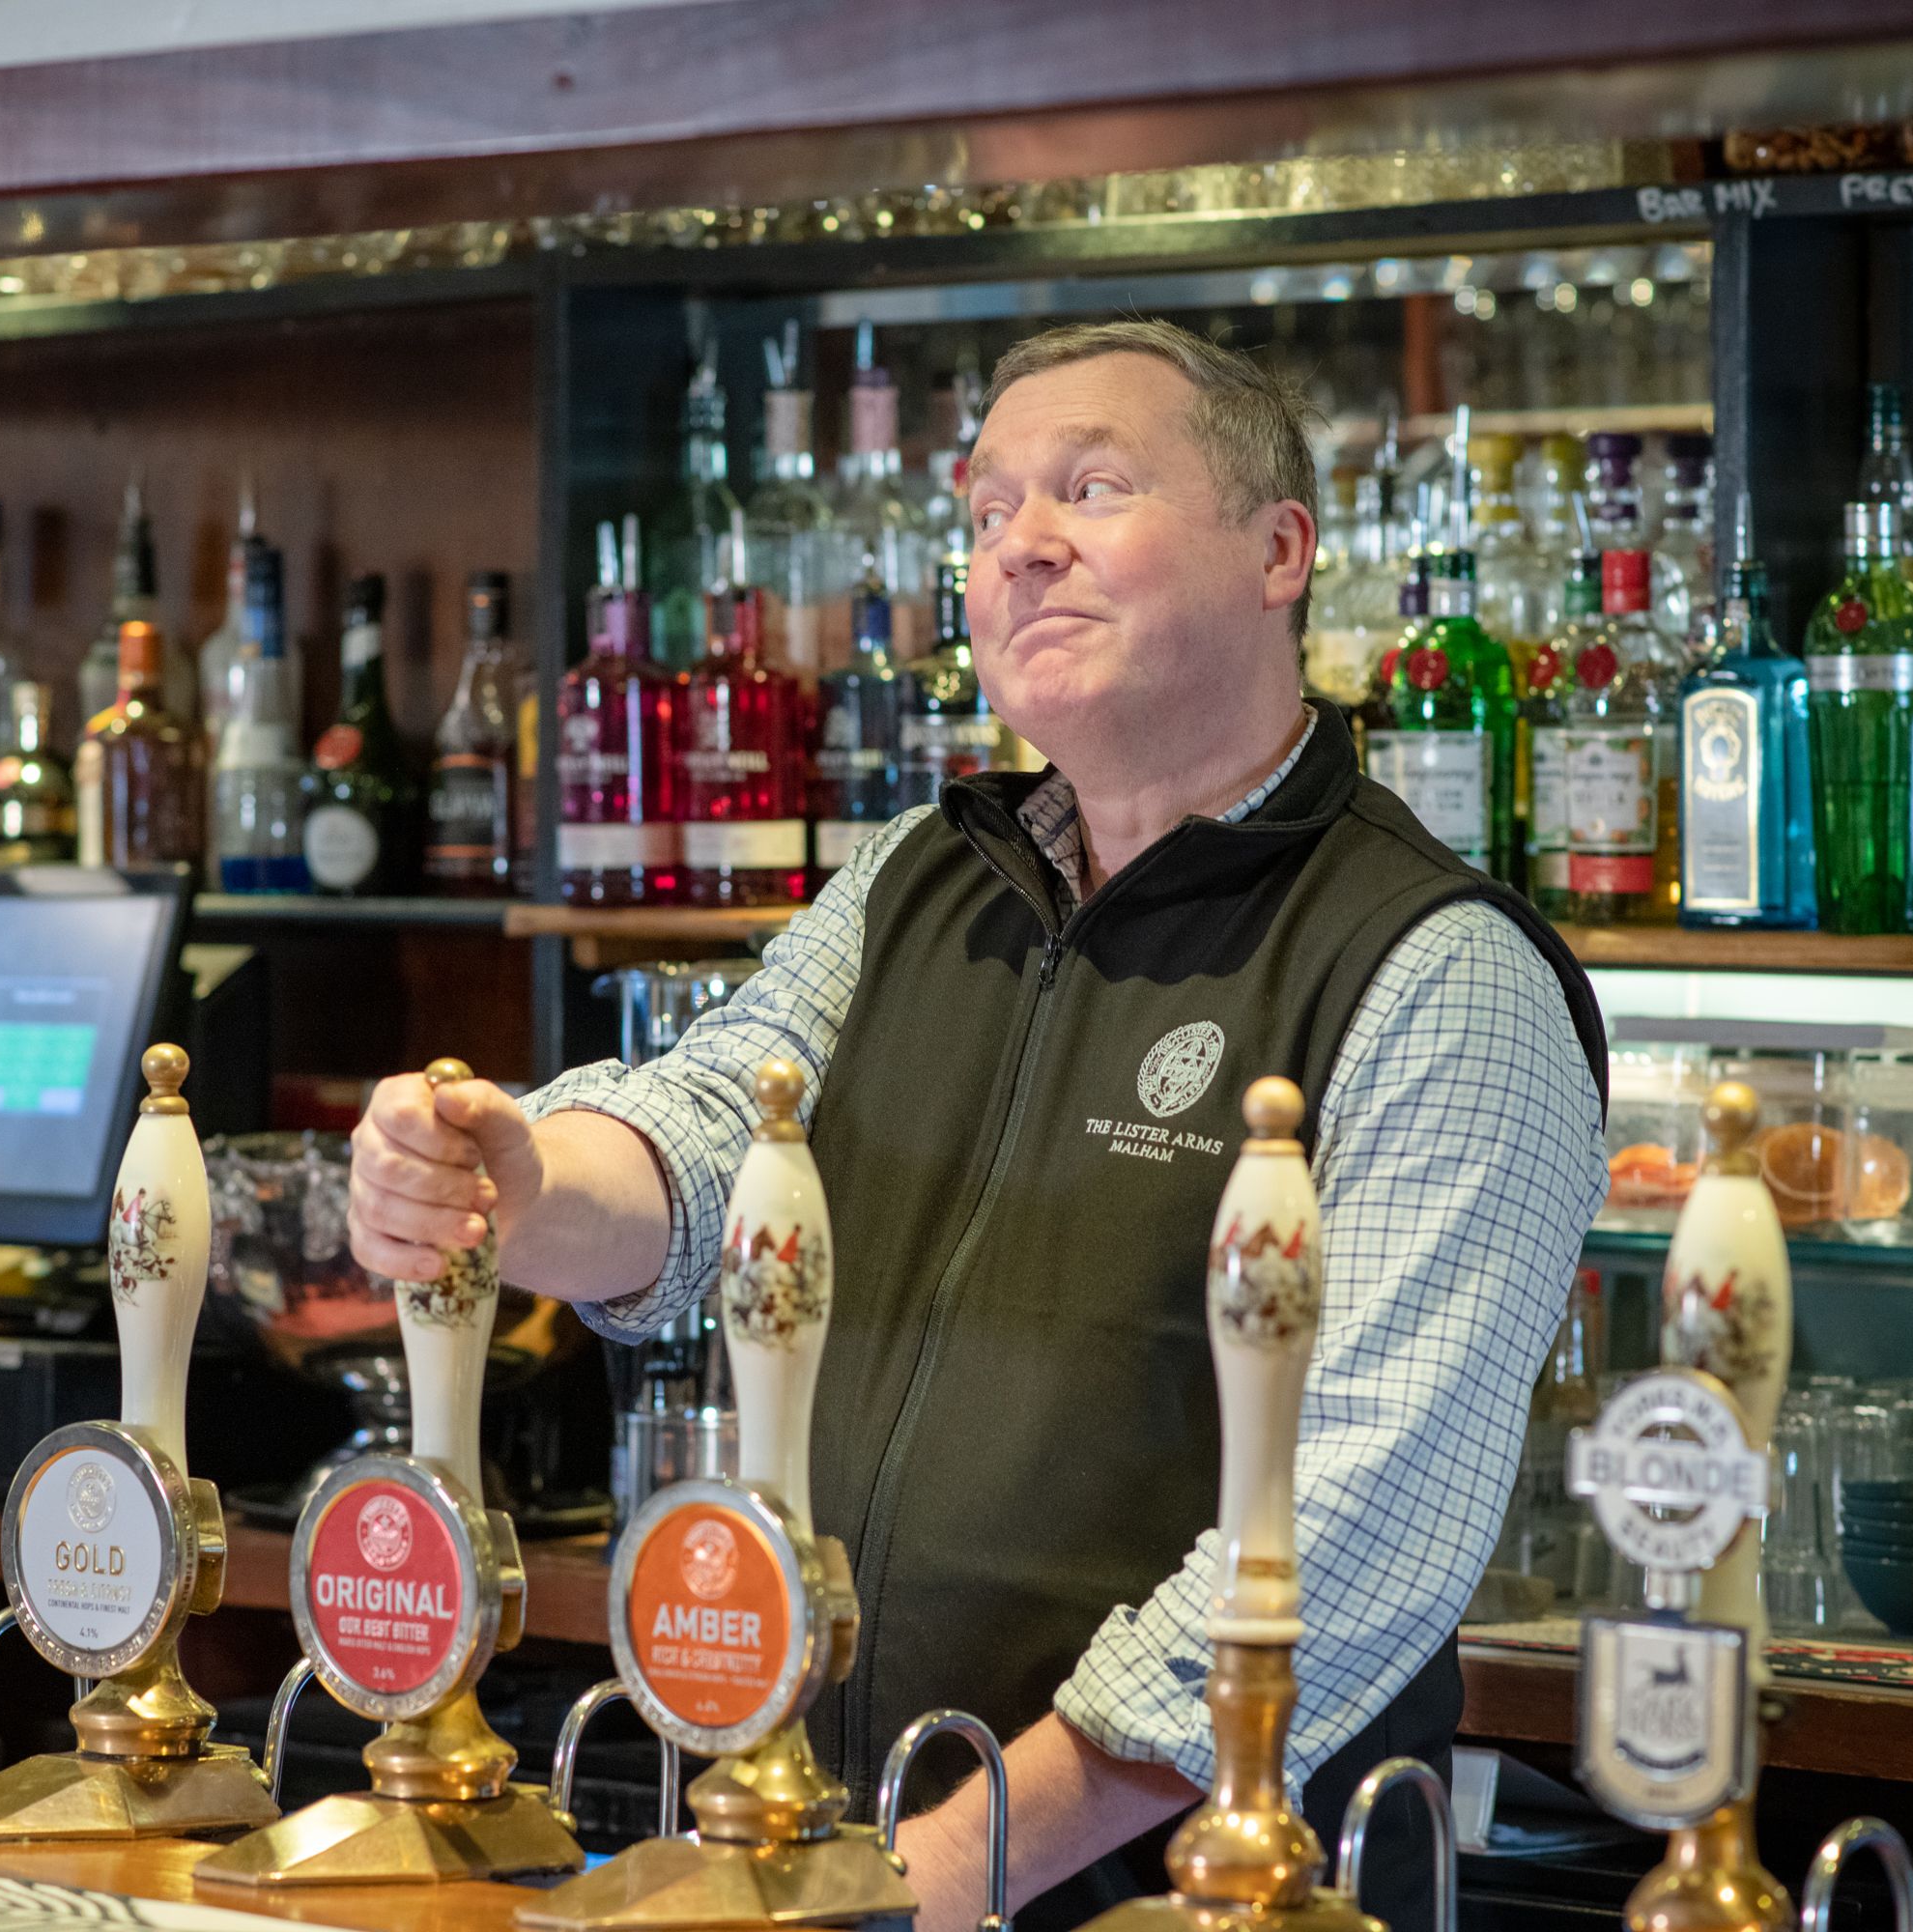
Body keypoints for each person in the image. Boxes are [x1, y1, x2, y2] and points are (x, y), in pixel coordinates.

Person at [348, 319, 1608, 1932]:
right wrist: (514, 1179)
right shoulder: (918, 880)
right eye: (989, 507)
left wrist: (939, 1871)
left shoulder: (1437, 970)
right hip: (840, 1861)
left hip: (1186, 1898)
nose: (1022, 545)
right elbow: (714, 1133)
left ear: (1281, 549)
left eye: (1092, 487)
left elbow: (1359, 1531)